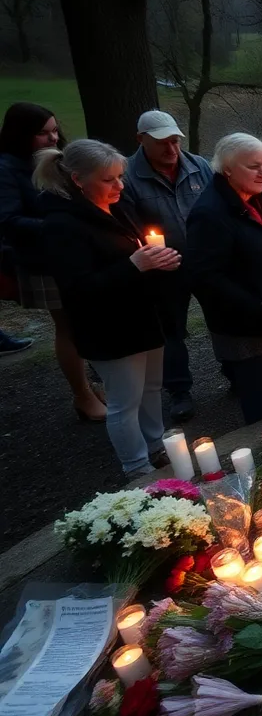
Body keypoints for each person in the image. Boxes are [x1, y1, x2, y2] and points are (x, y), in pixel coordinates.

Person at [35, 139, 182, 478]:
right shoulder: (62, 226)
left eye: (120, 177)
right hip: (109, 328)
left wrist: (159, 262)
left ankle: (156, 445)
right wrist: (135, 265)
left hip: (143, 317)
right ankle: (137, 467)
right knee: (123, 401)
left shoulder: (116, 207)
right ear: (77, 179)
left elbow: (137, 255)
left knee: (151, 388)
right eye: (108, 179)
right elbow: (77, 288)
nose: (119, 186)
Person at [187, 133, 262, 425]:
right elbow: (205, 277)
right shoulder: (210, 213)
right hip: (246, 329)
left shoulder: (260, 201)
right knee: (259, 398)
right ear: (227, 168)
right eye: (254, 166)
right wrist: (259, 306)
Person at [0, 102, 106, 420]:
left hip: (80, 251)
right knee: (69, 326)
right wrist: (59, 227)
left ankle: (101, 384)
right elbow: (7, 220)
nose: (53, 138)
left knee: (94, 319)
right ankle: (82, 394)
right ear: (20, 134)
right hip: (45, 259)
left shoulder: (62, 160)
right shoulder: (6, 169)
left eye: (55, 130)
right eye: (42, 133)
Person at [121, 110, 215, 422]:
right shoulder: (129, 177)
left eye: (174, 141)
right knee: (171, 329)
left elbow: (217, 206)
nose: (171, 149)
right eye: (162, 143)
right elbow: (128, 226)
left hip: (205, 260)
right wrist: (150, 254)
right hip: (165, 270)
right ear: (141, 140)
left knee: (224, 314)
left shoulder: (198, 165)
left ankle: (236, 372)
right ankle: (179, 390)